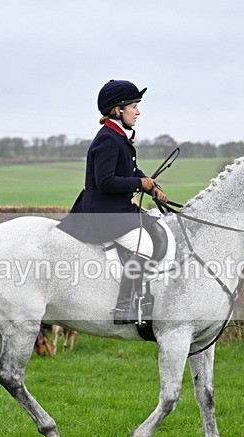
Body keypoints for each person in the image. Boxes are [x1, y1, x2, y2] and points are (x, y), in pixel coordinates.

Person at [57, 79, 167, 324]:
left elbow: (130, 171)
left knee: (157, 227)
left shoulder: (118, 136)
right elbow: (106, 181)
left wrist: (151, 186)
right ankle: (124, 307)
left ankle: (146, 294)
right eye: (134, 106)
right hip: (103, 212)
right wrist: (140, 184)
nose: (138, 112)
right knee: (145, 247)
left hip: (115, 208)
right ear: (119, 110)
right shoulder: (108, 138)